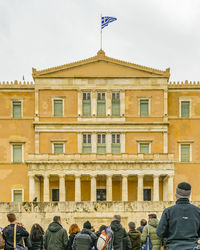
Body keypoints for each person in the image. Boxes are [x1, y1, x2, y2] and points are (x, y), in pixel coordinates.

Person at [156, 182, 200, 250]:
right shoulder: (198, 211)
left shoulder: (168, 211)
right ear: (189, 195)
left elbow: (160, 232)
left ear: (176, 195)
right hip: (193, 246)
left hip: (172, 246)